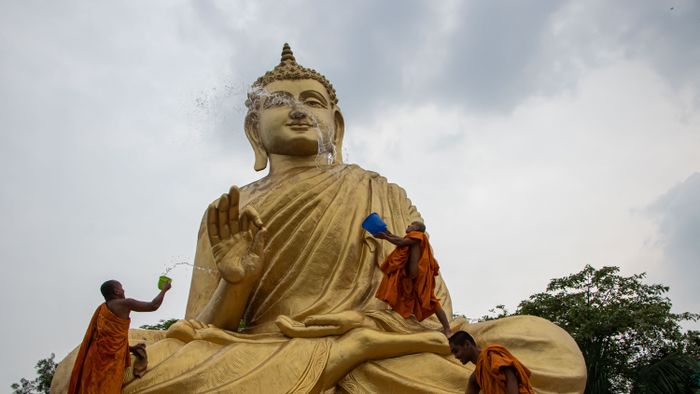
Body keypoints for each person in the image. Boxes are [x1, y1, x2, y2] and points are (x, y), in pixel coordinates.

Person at [53, 44, 586, 394]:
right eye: (279, 103)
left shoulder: (381, 189)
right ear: (253, 131)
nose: (300, 110)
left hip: (397, 344)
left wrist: (425, 333)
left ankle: (353, 354)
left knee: (552, 349)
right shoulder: (232, 209)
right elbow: (204, 327)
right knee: (76, 372)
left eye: (313, 101)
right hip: (266, 349)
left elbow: (431, 310)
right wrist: (237, 283)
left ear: (337, 123)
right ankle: (345, 356)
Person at [67, 280, 171, 393]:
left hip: (93, 359)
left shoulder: (102, 309)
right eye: (121, 288)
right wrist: (164, 289)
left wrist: (131, 348)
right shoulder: (124, 303)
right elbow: (153, 305)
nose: (123, 290)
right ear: (116, 291)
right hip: (110, 362)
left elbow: (109, 338)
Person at [374, 221, 452, 336]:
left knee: (432, 301)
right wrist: (387, 233)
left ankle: (447, 329)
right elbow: (400, 240)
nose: (408, 225)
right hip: (409, 277)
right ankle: (401, 320)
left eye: (411, 224)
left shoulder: (419, 236)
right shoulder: (411, 239)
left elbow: (400, 242)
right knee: (401, 294)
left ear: (417, 228)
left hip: (420, 277)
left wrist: (385, 237)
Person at [449, 330, 534, 394]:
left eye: (456, 351)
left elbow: (511, 378)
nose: (456, 356)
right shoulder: (475, 377)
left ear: (466, 344)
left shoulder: (492, 355)